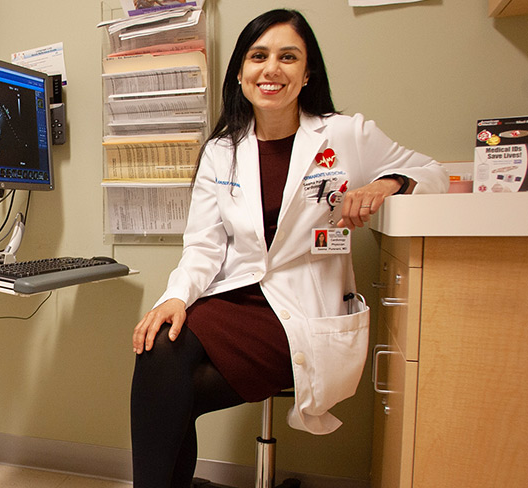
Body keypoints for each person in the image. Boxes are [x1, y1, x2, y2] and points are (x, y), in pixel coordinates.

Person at [130, 8, 448, 488]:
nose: (271, 69)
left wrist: (386, 184)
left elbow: (433, 173)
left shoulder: (343, 135)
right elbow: (202, 246)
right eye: (259, 56)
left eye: (287, 57)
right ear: (240, 72)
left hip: (302, 308)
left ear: (306, 73)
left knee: (173, 393)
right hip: (235, 296)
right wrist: (176, 296)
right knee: (157, 351)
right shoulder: (222, 149)